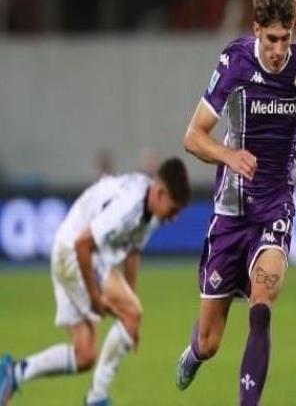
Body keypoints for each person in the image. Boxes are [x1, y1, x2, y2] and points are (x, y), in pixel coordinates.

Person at [175, 0, 296, 406]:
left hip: (275, 206)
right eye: (271, 39)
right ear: (256, 30)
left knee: (262, 304)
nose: (278, 49)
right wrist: (229, 155)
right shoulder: (235, 64)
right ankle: (194, 352)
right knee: (210, 341)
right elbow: (192, 137)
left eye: (286, 38)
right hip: (231, 212)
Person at [0, 157, 190, 406]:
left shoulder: (150, 208)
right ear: (160, 193)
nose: (174, 217)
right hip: (74, 253)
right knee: (131, 314)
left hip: (70, 249)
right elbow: (83, 244)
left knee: (84, 355)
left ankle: (14, 373)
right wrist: (95, 298)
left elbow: (133, 253)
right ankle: (96, 399)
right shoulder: (129, 206)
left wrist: (130, 313)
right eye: (173, 209)